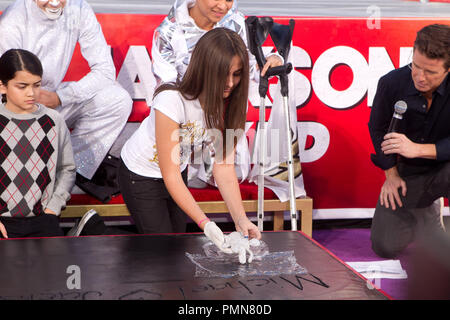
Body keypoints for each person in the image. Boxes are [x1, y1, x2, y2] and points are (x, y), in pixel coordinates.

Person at [119, 28, 261, 250]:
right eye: (223, 73)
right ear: (205, 68)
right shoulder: (171, 100)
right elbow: (170, 174)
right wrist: (205, 223)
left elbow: (223, 168)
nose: (231, 83)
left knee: (176, 246)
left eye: (237, 73)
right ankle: (93, 228)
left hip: (178, 171)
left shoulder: (229, 105)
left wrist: (241, 219)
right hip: (140, 174)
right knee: (162, 248)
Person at [0, 0, 133, 203]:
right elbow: (6, 86)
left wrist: (61, 97)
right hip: (16, 105)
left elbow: (105, 71)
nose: (54, 2)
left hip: (53, 99)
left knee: (117, 100)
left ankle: (71, 171)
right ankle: (37, 173)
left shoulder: (79, 8)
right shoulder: (13, 19)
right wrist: (30, 98)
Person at [151, 0, 283, 187]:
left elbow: (251, 66)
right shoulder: (168, 32)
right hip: (186, 125)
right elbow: (167, 92)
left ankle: (218, 163)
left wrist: (272, 59)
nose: (223, 6)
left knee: (230, 177)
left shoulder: (236, 22)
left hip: (225, 120)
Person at [368, 24, 450, 258]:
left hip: (446, 167)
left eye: (431, 72)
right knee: (385, 246)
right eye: (416, 66)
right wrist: (391, 174)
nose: (420, 77)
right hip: (408, 174)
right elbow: (377, 129)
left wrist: (418, 149)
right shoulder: (391, 83)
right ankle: (427, 212)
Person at [0, 49, 76, 239]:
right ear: (2, 86)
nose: (31, 93)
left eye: (37, 85)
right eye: (22, 86)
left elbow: (67, 168)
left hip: (43, 220)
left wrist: (53, 208)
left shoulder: (54, 121)